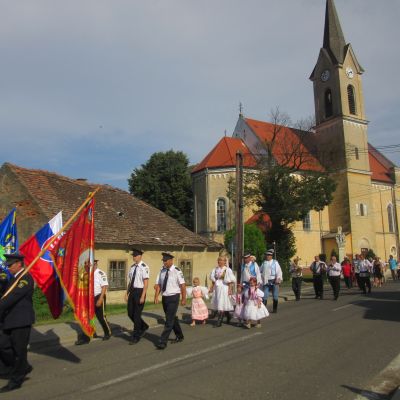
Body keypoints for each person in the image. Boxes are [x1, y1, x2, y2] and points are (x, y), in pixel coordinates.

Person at [0, 254, 34, 392]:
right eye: (7, 265)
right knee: (3, 345)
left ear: (19, 263)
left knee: (19, 351)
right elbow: (4, 293)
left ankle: (16, 380)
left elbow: (12, 298)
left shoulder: (25, 278)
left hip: (21, 320)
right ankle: (17, 367)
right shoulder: (13, 279)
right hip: (10, 320)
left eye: (10, 265)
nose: (8, 268)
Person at [75, 260, 112, 345]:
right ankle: (88, 335)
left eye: (89, 263)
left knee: (101, 317)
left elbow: (104, 287)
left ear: (95, 264)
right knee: (89, 318)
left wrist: (100, 299)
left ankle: (107, 332)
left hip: (98, 296)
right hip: (89, 298)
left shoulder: (100, 273)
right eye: (86, 263)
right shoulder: (86, 274)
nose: (87, 265)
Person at [154, 252, 186, 350]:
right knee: (171, 318)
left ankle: (162, 341)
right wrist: (156, 296)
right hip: (165, 297)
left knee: (168, 320)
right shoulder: (162, 270)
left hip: (174, 297)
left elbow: (182, 286)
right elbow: (159, 284)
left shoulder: (177, 271)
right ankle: (180, 335)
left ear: (171, 260)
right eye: (163, 261)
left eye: (165, 261)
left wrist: (183, 298)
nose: (164, 262)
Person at [126, 249, 150, 345]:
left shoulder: (144, 267)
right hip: (132, 291)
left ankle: (136, 336)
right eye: (133, 256)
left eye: (135, 256)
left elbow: (146, 283)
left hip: (140, 292)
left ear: (140, 256)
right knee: (130, 313)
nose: (133, 257)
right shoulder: (132, 267)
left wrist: (143, 296)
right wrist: (127, 293)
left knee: (136, 315)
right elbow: (131, 282)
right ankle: (143, 326)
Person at [209, 255, 236, 327]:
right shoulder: (215, 269)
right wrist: (211, 287)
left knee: (221, 302)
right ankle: (228, 316)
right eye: (219, 260)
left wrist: (230, 289)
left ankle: (219, 322)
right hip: (217, 287)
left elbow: (230, 281)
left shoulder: (227, 270)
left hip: (224, 287)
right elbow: (213, 280)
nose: (219, 261)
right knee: (220, 302)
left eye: (221, 260)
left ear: (225, 261)